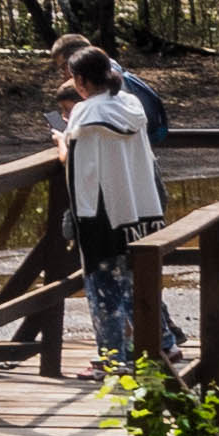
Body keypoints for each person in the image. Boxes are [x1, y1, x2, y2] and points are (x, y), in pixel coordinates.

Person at [53, 46, 176, 369]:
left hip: (102, 212)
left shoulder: (85, 113)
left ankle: (112, 359)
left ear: (80, 80)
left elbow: (74, 163)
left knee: (103, 286)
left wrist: (61, 141)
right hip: (140, 206)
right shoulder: (130, 104)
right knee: (138, 279)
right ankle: (164, 344)